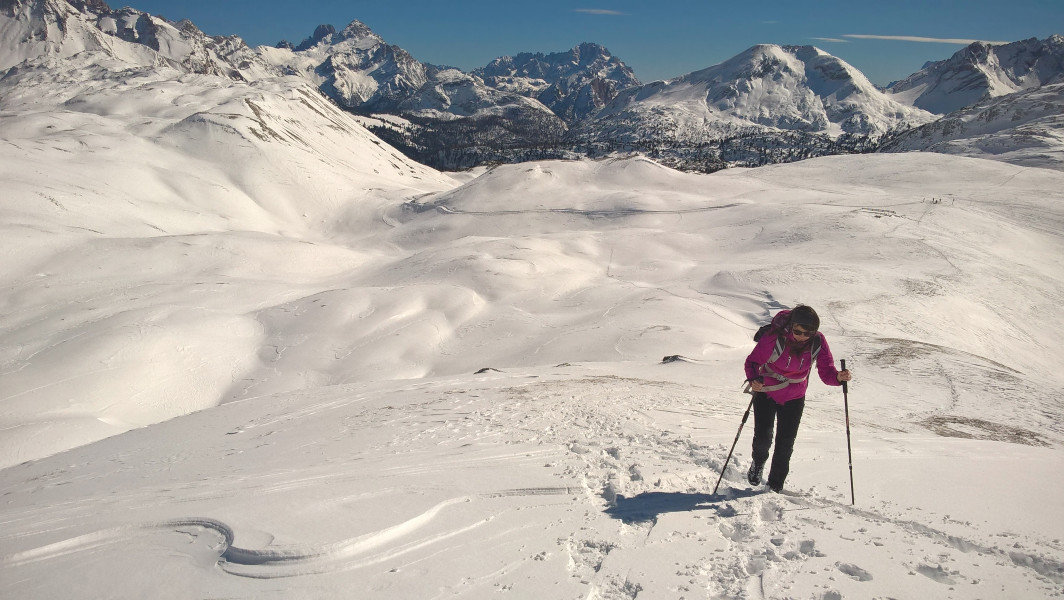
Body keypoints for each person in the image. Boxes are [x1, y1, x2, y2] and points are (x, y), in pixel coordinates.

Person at [743, 305, 851, 493]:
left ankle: (775, 486)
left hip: (795, 397)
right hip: (766, 391)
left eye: (808, 333)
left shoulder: (818, 342)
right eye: (798, 331)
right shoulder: (775, 336)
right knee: (763, 437)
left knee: (785, 443)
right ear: (791, 326)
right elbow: (752, 361)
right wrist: (754, 380)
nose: (802, 336)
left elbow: (826, 371)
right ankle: (758, 463)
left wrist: (838, 378)